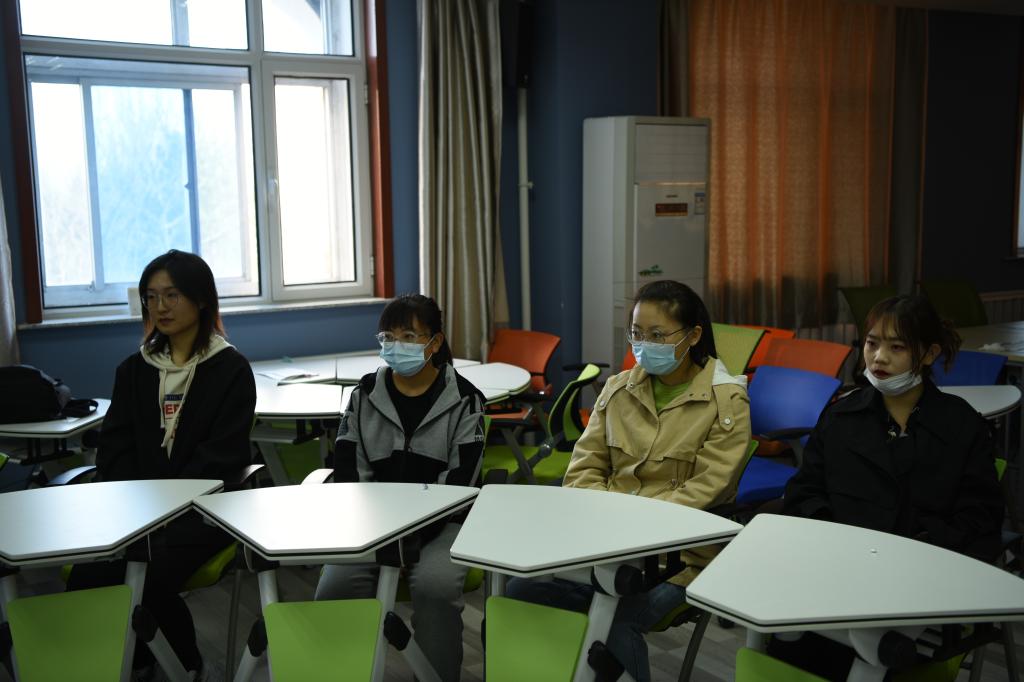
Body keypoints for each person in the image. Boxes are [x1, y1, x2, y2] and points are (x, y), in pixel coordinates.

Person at [505, 280, 752, 682]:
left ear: (693, 336)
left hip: (678, 559)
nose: (643, 344)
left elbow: (709, 488)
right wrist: (609, 524)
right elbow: (583, 468)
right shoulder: (618, 390)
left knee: (617, 620)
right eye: (637, 333)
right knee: (520, 592)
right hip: (603, 547)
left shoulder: (726, 401)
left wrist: (630, 528)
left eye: (657, 335)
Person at [775, 294, 1004, 678]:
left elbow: (981, 519)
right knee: (784, 634)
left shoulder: (962, 426)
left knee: (872, 650)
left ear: (929, 354)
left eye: (897, 347)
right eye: (872, 343)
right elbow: (804, 493)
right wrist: (832, 544)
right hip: (836, 573)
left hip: (919, 585)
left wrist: (920, 550)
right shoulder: (841, 417)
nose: (879, 357)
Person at [67, 249, 257, 680]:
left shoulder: (230, 369)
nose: (160, 307)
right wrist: (136, 504)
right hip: (135, 512)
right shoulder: (134, 370)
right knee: (89, 574)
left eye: (172, 295)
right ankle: (129, 663)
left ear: (201, 299)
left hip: (204, 513)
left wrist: (165, 505)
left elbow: (223, 457)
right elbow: (114, 450)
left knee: (144, 572)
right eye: (151, 297)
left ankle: (184, 664)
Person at [314, 293, 485, 682]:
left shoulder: (465, 400)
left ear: (435, 343)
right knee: (335, 587)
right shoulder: (363, 396)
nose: (396, 346)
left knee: (436, 587)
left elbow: (459, 485)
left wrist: (411, 537)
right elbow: (349, 472)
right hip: (370, 525)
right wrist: (381, 534)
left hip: (440, 526)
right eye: (388, 337)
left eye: (408, 336)